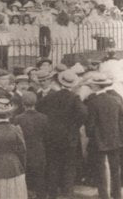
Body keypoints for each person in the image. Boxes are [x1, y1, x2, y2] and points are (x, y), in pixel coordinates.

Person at [37, 70, 85, 199]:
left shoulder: (50, 97)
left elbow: (39, 109)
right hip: (69, 137)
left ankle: (52, 193)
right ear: (72, 84)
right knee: (69, 166)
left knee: (53, 165)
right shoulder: (74, 97)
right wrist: (75, 126)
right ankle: (67, 193)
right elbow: (83, 114)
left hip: (52, 137)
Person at [84, 72, 123, 199]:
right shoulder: (115, 99)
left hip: (99, 139)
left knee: (101, 169)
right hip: (116, 138)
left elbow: (90, 124)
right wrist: (116, 130)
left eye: (92, 85)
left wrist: (91, 135)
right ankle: (117, 195)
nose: (91, 87)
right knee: (115, 168)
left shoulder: (93, 102)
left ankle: (103, 195)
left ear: (97, 87)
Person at [0, 96, 28, 199]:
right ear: (10, 114)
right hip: (14, 165)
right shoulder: (16, 130)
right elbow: (23, 150)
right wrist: (22, 165)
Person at [12, 91, 47, 199]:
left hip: (24, 152)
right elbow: (46, 136)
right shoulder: (43, 117)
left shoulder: (18, 118)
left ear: (23, 104)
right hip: (39, 151)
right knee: (40, 179)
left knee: (25, 180)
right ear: (35, 103)